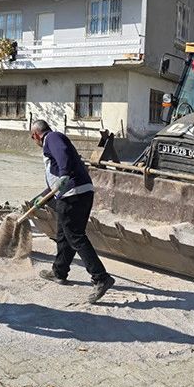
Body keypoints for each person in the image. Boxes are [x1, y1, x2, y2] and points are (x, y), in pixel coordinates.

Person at [30, 120, 115, 303]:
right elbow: (56, 179)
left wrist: (64, 174)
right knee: (64, 234)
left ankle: (101, 277)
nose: (34, 140)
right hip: (75, 193)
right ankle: (59, 271)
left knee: (75, 236)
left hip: (73, 194)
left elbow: (64, 157)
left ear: (36, 134)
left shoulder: (52, 137)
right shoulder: (52, 140)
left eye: (32, 137)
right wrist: (42, 196)